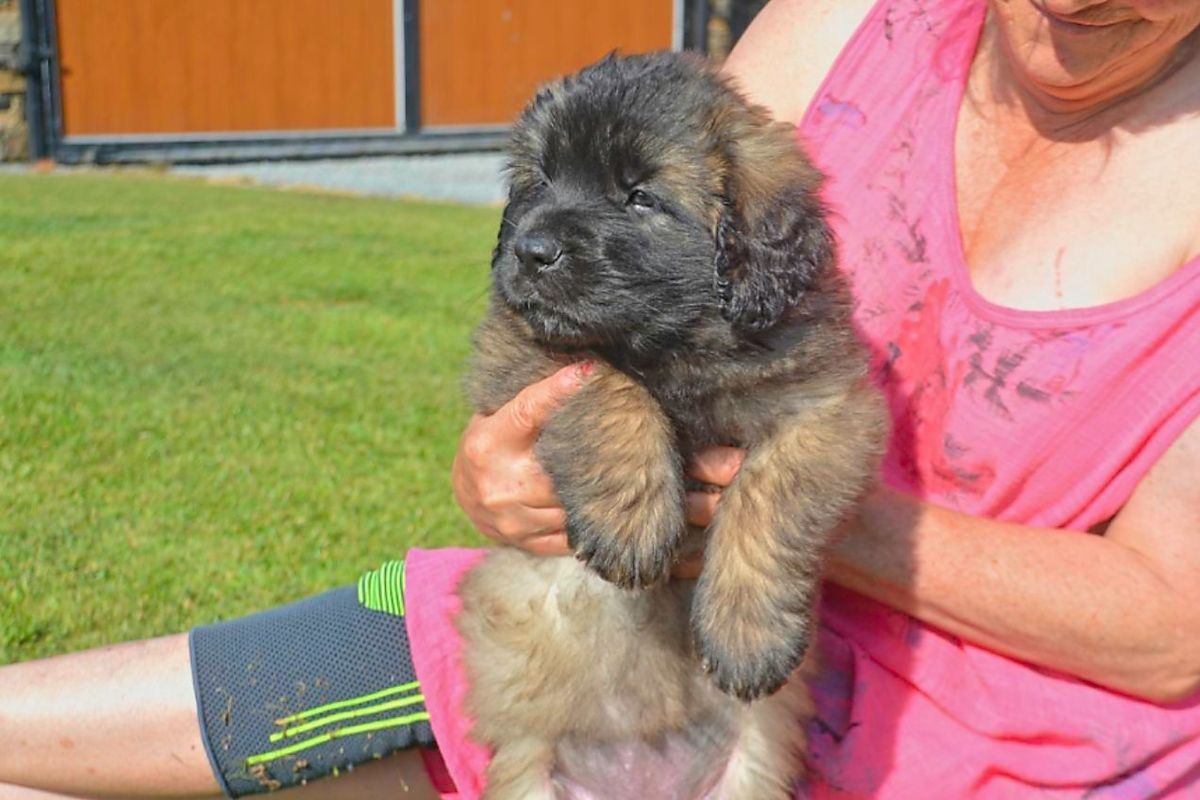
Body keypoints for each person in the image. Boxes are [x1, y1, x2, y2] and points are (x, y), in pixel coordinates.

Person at [2, 0, 1198, 797]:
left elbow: (1169, 629)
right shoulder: (857, 18)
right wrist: (508, 453)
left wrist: (755, 513)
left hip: (970, 736)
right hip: (576, 642)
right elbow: (625, 230)